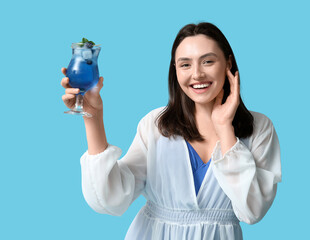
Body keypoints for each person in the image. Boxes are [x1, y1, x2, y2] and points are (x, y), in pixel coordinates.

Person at [61, 22, 282, 240]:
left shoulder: (260, 128)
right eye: (185, 65)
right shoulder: (155, 125)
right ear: (174, 70)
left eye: (207, 61)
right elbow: (110, 199)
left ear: (228, 64)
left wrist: (225, 127)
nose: (196, 74)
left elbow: (252, 211)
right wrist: (93, 118)